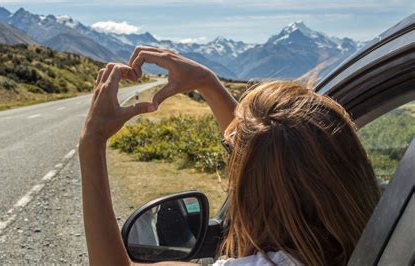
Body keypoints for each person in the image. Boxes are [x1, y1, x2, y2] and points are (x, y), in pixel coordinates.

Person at [78, 46, 381, 266]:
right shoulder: (381, 230)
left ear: (256, 195)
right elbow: (269, 154)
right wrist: (208, 83)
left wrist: (92, 143)